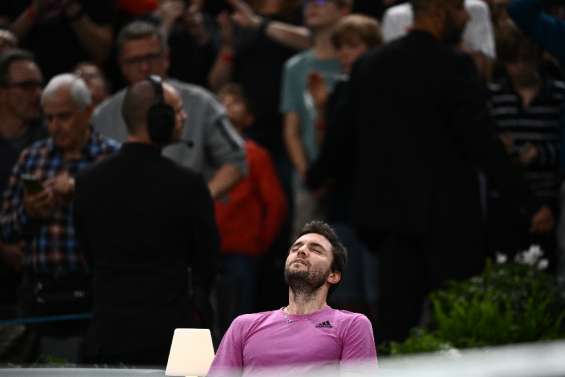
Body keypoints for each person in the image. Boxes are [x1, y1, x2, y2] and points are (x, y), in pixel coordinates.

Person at [329, 0, 553, 343]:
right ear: (440, 10)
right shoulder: (455, 66)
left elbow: (342, 137)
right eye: (461, 9)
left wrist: (318, 178)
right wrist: (529, 202)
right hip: (449, 224)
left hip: (390, 224)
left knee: (394, 329)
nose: (466, 17)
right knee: (455, 326)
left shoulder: (372, 64)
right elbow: (483, 144)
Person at [73, 76, 219, 366]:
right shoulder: (187, 184)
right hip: (172, 341)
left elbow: (87, 253)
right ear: (160, 119)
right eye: (178, 111)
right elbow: (207, 262)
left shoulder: (87, 182)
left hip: (107, 336)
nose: (185, 116)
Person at [0, 73, 119, 362]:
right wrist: (30, 213)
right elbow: (6, 230)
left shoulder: (112, 158)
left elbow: (128, 228)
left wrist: (82, 193)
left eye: (63, 117)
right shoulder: (32, 158)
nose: (55, 127)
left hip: (96, 294)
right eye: (49, 118)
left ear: (87, 111)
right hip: (40, 295)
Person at [92, 20, 246, 200]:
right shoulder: (103, 115)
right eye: (135, 60)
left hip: (186, 218)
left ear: (166, 58)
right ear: (122, 66)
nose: (144, 67)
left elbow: (236, 159)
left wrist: (199, 200)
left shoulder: (201, 103)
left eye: (151, 57)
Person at [208, 220, 377, 377]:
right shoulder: (243, 325)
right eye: (295, 248)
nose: (301, 251)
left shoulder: (352, 325)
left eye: (316, 250)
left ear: (333, 275)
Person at [486, 19, 563, 269]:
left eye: (526, 59)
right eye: (512, 60)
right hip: (505, 200)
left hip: (547, 198)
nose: (520, 67)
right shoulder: (494, 95)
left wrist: (540, 154)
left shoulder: (559, 95)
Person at [215, 83, 287, 334]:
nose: (226, 105)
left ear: (248, 117)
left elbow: (275, 204)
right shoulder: (202, 154)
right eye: (221, 99)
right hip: (207, 250)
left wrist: (258, 242)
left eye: (235, 101)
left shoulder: (256, 155)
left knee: (239, 320)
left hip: (241, 250)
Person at [280, 0, 352, 238]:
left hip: (349, 176)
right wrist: (308, 175)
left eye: (320, 1)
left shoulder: (354, 63)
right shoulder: (295, 66)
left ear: (344, 8)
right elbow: (291, 129)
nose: (311, 6)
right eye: (307, 2)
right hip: (308, 173)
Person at [0, 0, 116, 80]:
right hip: (22, 82)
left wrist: (72, 8)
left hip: (81, 82)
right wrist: (34, 10)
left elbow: (102, 51)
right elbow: (4, 44)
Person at [382, 0, 496, 79]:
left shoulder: (476, 9)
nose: (467, 17)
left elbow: (483, 72)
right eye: (459, 7)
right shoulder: (396, 16)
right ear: (437, 13)